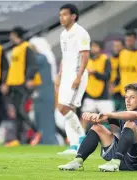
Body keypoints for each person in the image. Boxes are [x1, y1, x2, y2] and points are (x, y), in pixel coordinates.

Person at [58, 83, 137, 172]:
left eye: (132, 97)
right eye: (126, 97)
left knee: (131, 123)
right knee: (97, 128)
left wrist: (110, 114)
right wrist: (93, 116)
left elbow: (136, 116)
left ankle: (115, 161)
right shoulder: (123, 113)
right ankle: (78, 161)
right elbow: (104, 117)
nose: (127, 101)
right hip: (126, 160)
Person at [55, 4, 90, 155]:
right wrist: (59, 75)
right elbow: (64, 57)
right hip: (66, 75)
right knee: (65, 109)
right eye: (60, 15)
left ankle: (82, 136)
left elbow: (85, 55)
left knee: (65, 108)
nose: (61, 17)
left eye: (64, 14)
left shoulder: (81, 32)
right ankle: (74, 146)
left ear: (73, 16)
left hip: (76, 75)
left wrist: (79, 76)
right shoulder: (63, 34)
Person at [1, 26, 41, 146]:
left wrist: (29, 78)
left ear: (16, 35)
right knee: (17, 114)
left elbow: (32, 65)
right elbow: (12, 69)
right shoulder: (15, 49)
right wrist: (7, 83)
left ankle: (37, 131)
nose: (10, 38)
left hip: (22, 84)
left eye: (12, 35)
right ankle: (17, 139)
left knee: (21, 110)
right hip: (14, 84)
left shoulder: (26, 47)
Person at [81, 41, 113, 130]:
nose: (93, 48)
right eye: (92, 46)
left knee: (111, 120)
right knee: (84, 118)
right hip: (89, 94)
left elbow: (107, 76)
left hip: (103, 96)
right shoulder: (87, 60)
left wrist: (95, 73)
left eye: (96, 46)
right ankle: (80, 138)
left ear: (100, 48)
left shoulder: (105, 59)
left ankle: (116, 137)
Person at [110, 39, 124, 111]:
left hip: (124, 90)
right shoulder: (111, 59)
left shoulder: (125, 59)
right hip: (114, 90)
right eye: (115, 46)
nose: (116, 48)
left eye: (118, 46)